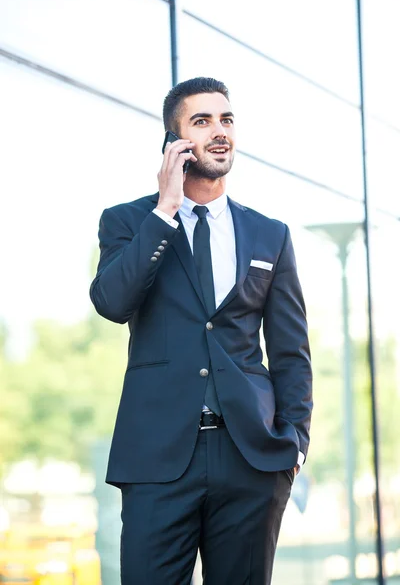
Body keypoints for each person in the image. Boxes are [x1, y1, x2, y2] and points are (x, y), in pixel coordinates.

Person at [90, 76, 313, 585]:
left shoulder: (268, 234)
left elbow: (291, 352)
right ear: (176, 143)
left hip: (252, 459)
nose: (219, 131)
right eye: (202, 120)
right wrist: (165, 211)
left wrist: (294, 442)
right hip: (157, 459)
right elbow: (111, 302)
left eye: (226, 119)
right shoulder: (128, 222)